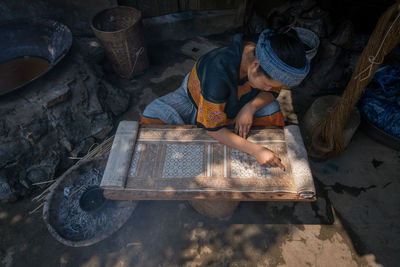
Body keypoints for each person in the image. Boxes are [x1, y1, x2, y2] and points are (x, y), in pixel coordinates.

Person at [141, 25, 309, 171]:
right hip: (195, 102)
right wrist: (255, 150)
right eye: (267, 84)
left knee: (272, 110)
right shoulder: (218, 73)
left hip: (238, 102)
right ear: (255, 66)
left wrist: (250, 107)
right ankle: (214, 124)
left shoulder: (265, 57)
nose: (271, 89)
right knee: (153, 117)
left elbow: (273, 92)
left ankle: (231, 124)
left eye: (275, 86)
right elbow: (212, 128)